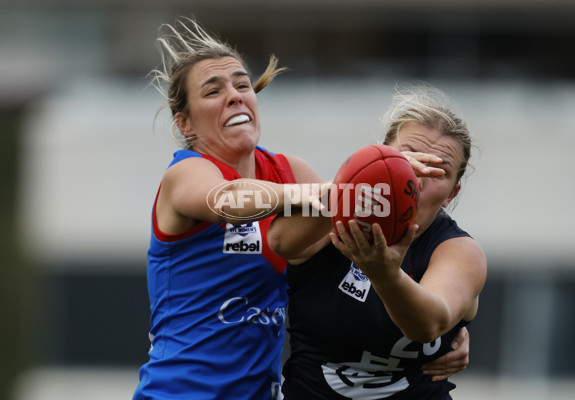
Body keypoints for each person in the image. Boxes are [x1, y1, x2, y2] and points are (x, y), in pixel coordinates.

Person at [133, 17, 472, 400]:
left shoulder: (291, 173)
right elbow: (227, 201)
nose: (235, 95)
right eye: (213, 91)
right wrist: (345, 189)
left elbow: (344, 270)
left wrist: (443, 333)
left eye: (243, 84)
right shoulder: (187, 174)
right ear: (185, 122)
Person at [268, 85, 487, 399]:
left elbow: (427, 324)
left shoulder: (458, 250)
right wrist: (354, 186)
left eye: (438, 170)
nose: (419, 176)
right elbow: (280, 241)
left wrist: (385, 275)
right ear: (382, 155)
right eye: (408, 157)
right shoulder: (331, 217)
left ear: (452, 194)